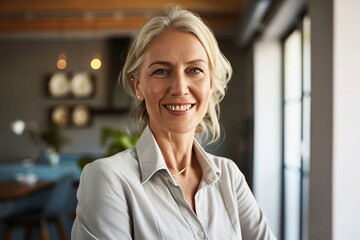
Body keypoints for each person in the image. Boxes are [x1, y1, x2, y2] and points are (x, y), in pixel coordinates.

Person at [71, 5, 276, 240]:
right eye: (161, 71)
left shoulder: (229, 177)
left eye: (195, 70)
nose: (179, 88)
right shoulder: (109, 179)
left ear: (210, 84)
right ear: (138, 85)